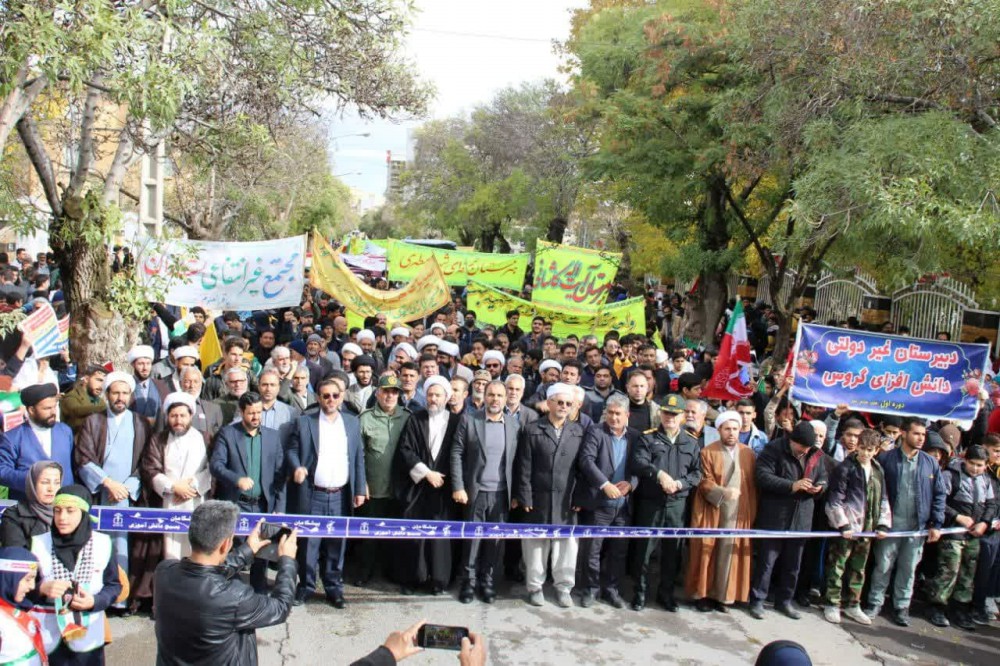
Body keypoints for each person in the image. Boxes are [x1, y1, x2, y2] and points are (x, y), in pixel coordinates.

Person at [153, 502, 298, 666]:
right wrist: (287, 561)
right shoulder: (234, 597)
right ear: (225, 544)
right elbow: (280, 607)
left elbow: (207, 569)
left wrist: (247, 550)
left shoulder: (163, 572)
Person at [285, 378, 366, 608]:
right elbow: (291, 449)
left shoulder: (351, 423)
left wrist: (359, 488)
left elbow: (358, 457)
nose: (330, 400)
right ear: (318, 398)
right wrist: (297, 466)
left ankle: (334, 588)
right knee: (309, 544)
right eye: (325, 396)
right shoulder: (304, 422)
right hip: (313, 493)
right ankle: (306, 586)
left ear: (341, 397)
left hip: (340, 494)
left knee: (336, 544)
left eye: (335, 395)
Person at [74, 370, 152, 608]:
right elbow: (83, 457)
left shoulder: (140, 422)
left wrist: (127, 488)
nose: (120, 397)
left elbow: (146, 462)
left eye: (125, 393)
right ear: (106, 394)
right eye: (115, 392)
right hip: (101, 492)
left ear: (131, 395)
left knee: (122, 546)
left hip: (126, 495)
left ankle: (120, 599)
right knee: (98, 545)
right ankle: (95, 595)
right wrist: (107, 482)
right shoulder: (93, 421)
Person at [864, 418, 947, 627]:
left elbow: (939, 495)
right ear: (903, 433)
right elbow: (875, 490)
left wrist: (936, 524)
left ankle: (901, 606)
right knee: (883, 566)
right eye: (916, 433)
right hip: (890, 526)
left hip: (916, 528)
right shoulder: (886, 459)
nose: (920, 438)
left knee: (909, 569)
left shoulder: (930, 463)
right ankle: (875, 602)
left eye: (923, 435)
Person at [135, 392, 213, 607]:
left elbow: (211, 468)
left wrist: (193, 487)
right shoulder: (158, 439)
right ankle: (167, 602)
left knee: (195, 551)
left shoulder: (204, 437)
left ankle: (195, 601)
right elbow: (150, 468)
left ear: (190, 416)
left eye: (182, 415)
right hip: (169, 503)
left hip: (196, 503)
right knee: (170, 553)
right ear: (168, 417)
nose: (178, 420)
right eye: (174, 416)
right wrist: (172, 487)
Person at [31, 485, 123, 665]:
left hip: (88, 640)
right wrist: (41, 588)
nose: (62, 518)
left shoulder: (102, 543)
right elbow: (19, 590)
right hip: (49, 637)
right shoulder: (38, 543)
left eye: (70, 511)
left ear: (83, 513)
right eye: (57, 511)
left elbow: (114, 585)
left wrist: (95, 601)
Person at [514, 383, 586, 608]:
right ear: (550, 403)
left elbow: (582, 468)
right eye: (560, 402)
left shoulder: (578, 431)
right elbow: (523, 466)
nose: (564, 407)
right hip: (539, 498)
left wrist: (579, 498)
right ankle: (535, 587)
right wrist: (525, 496)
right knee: (535, 546)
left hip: (567, 499)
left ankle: (563, 588)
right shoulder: (533, 429)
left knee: (566, 547)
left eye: (568, 403)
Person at [747, 422, 827, 620]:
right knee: (767, 562)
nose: (805, 451)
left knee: (793, 565)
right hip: (776, 515)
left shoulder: (816, 454)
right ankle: (757, 599)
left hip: (802, 518)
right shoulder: (774, 449)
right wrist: (792, 485)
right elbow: (762, 477)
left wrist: (820, 487)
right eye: (802, 448)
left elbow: (824, 476)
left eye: (808, 448)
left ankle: (785, 601)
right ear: (792, 441)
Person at [630, 394, 701, 612]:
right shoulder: (648, 438)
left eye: (675, 414)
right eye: (666, 412)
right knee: (643, 552)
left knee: (672, 553)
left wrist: (680, 484)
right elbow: (639, 462)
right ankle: (639, 593)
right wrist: (659, 474)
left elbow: (697, 473)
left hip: (676, 505)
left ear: (682, 416)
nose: (670, 417)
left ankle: (666, 594)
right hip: (651, 503)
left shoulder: (691, 441)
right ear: (660, 413)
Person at [451, 380, 520, 604]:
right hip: (476, 492)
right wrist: (459, 486)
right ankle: (468, 583)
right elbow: (456, 454)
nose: (495, 399)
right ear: (484, 395)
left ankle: (486, 582)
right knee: (472, 541)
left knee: (494, 542)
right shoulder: (470, 420)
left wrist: (516, 494)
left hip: (501, 494)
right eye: (491, 395)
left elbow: (518, 462)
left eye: (500, 396)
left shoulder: (512, 425)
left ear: (505, 398)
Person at [210, 392, 286, 593]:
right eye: (251, 413)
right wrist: (236, 479)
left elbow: (280, 476)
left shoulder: (272, 436)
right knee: (235, 550)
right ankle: (232, 591)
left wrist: (279, 508)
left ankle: (258, 591)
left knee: (262, 551)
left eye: (259, 412)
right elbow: (216, 465)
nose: (255, 417)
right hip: (237, 503)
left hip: (263, 504)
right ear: (241, 412)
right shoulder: (228, 434)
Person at [393, 376, 460, 596]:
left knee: (440, 537)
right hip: (419, 487)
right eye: (430, 394)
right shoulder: (415, 419)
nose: (433, 399)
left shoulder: (457, 421)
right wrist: (426, 473)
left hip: (444, 489)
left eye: (438, 395)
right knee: (415, 535)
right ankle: (413, 579)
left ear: (446, 398)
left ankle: (439, 581)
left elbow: (460, 454)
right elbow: (405, 450)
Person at [687, 411, 758, 613]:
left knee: (730, 555)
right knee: (708, 552)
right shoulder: (708, 452)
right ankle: (702, 595)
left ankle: (724, 596)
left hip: (738, 513)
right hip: (713, 510)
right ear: (719, 430)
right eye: (727, 429)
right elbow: (703, 481)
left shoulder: (748, 453)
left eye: (735, 429)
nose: (731, 433)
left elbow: (753, 486)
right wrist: (722, 492)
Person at [573, 393, 640, 609]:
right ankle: (590, 589)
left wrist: (630, 484)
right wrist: (605, 485)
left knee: (618, 552)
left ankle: (611, 590)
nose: (613, 418)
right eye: (610, 413)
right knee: (592, 550)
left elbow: (640, 467)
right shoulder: (595, 431)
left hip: (623, 507)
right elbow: (586, 460)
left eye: (618, 414)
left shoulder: (635, 437)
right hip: (599, 503)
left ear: (627, 415)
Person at [822, 429, 891, 625]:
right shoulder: (845, 468)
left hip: (867, 529)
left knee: (859, 568)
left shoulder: (878, 470)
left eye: (870, 450)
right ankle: (832, 603)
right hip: (847, 528)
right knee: (837, 566)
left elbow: (884, 498)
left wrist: (884, 524)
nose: (865, 453)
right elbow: (835, 499)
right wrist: (842, 524)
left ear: (876, 450)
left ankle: (853, 604)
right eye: (862, 448)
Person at [926, 445, 997, 629]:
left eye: (980, 465)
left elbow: (991, 504)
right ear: (965, 460)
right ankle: (937, 606)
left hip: (973, 534)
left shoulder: (986, 480)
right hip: (953, 533)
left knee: (968, 573)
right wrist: (957, 517)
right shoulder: (951, 476)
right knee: (949, 569)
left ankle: (960, 608)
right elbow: (940, 501)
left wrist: (985, 523)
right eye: (972, 464)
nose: (975, 468)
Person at [357, 375, 411, 585]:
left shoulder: (408, 417)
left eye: (394, 392)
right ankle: (364, 572)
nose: (390, 396)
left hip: (399, 488)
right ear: (377, 392)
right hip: (374, 487)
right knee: (369, 535)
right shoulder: (365, 418)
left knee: (395, 535)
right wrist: (363, 483)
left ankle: (392, 573)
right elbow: (358, 455)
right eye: (386, 391)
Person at [0, 384, 75, 501]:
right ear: (31, 410)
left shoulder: (65, 431)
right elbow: (3, 471)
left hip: (61, 505)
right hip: (27, 507)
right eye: (46, 409)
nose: (53, 412)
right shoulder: (12, 438)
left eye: (54, 407)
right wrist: (32, 479)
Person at [0, 547, 46, 666]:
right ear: (10, 578)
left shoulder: (22, 606)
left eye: (34, 579)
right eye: (27, 579)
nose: (32, 586)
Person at [0, 462, 62, 549]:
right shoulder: (14, 515)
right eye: (45, 482)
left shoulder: (67, 513)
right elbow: (16, 555)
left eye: (56, 483)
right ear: (32, 484)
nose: (51, 488)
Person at [59, 365, 107, 434]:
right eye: (99, 380)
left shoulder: (100, 401)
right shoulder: (71, 397)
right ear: (86, 379)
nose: (101, 386)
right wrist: (106, 409)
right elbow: (76, 410)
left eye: (104, 382)